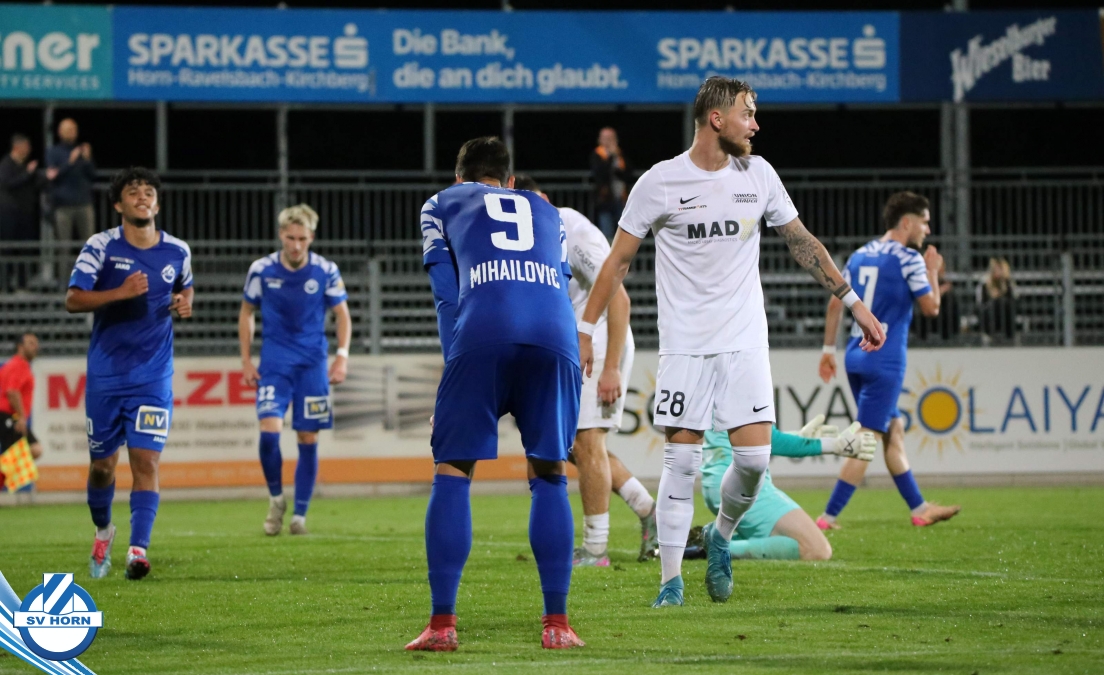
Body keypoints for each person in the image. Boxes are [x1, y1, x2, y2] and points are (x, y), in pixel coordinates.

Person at [577, 76, 886, 608]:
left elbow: (802, 242)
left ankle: (721, 535)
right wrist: (586, 329)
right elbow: (617, 262)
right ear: (717, 119)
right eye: (748, 113)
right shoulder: (659, 182)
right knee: (682, 463)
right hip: (685, 347)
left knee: (754, 461)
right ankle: (670, 583)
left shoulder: (758, 174)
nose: (756, 124)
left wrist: (853, 302)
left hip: (745, 343)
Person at [407, 138, 583, 652]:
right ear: (509, 181)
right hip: (555, 337)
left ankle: (442, 625)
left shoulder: (441, 203)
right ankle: (557, 625)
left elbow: (447, 296)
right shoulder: (549, 212)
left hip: (482, 332)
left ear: (459, 178)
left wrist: (453, 374)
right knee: (549, 474)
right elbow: (559, 283)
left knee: (452, 472)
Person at [513, 175, 655, 568]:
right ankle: (649, 510)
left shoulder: (571, 227)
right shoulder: (527, 240)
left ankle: (595, 550)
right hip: (571, 346)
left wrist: (611, 368)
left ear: (543, 198)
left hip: (600, 340)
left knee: (586, 440)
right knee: (572, 445)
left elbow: (618, 297)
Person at [66, 167, 193, 581]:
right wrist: (120, 292)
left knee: (146, 460)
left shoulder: (177, 250)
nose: (142, 196)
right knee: (103, 467)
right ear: (118, 204)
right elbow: (73, 299)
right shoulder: (100, 246)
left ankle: (138, 550)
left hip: (153, 377)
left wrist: (184, 301)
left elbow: (184, 286)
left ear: (157, 203)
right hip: (107, 375)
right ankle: (104, 530)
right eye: (133, 191)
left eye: (149, 191)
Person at [816, 191, 961, 530]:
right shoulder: (910, 259)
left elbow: (836, 303)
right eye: (924, 222)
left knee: (893, 430)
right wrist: (932, 272)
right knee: (867, 439)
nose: (927, 229)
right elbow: (932, 308)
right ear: (907, 222)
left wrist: (828, 352)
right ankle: (826, 518)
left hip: (855, 355)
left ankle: (920, 508)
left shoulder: (860, 254)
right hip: (885, 360)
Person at [239, 204, 351, 536]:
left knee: (308, 437)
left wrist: (342, 356)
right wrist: (245, 359)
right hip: (274, 365)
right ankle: (276, 499)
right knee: (269, 433)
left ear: (311, 237)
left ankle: (299, 514)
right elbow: (246, 312)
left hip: (312, 366)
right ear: (281, 236)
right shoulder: (261, 269)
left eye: (302, 238)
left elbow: (343, 315)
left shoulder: (326, 270)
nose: (296, 245)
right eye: (290, 238)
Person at [694, 416, 875, 561]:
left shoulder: (726, 382)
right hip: (740, 482)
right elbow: (770, 440)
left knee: (784, 540)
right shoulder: (746, 380)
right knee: (816, 549)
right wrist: (833, 445)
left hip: (721, 479)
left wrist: (799, 436)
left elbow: (751, 436)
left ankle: (709, 539)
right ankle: (710, 545)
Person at [0, 134, 46, 291]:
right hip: (9, 216)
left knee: (25, 250)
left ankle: (23, 284)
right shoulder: (6, 164)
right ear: (17, 147)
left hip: (25, 215)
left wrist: (45, 176)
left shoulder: (25, 165)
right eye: (26, 147)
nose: (29, 150)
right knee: (8, 250)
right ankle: (5, 285)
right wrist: (27, 173)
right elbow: (8, 183)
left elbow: (36, 183)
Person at [47, 119, 98, 259]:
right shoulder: (54, 152)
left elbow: (92, 175)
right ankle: (64, 273)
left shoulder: (82, 150)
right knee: (64, 248)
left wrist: (87, 159)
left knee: (89, 245)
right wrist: (70, 162)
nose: (72, 132)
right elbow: (53, 176)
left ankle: (89, 273)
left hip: (84, 203)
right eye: (69, 129)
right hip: (63, 205)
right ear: (60, 132)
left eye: (74, 129)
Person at [0, 334, 43, 462]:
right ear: (20, 346)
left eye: (36, 343)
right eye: (31, 343)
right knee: (34, 449)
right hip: (9, 415)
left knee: (12, 457)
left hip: (7, 416)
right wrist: (22, 417)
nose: (36, 347)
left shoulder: (12, 364)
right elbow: (12, 392)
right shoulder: (19, 365)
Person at [589, 127, 631, 240]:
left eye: (611, 138)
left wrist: (615, 157)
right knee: (606, 234)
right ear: (600, 140)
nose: (608, 141)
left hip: (621, 199)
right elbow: (601, 173)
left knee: (624, 234)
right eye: (605, 138)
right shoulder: (597, 154)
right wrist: (611, 157)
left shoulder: (620, 154)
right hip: (605, 201)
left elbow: (628, 173)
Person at [976, 257, 1016, 345]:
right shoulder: (985, 283)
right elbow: (981, 302)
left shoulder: (1008, 283)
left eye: (1000, 269)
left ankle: (1009, 336)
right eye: (996, 269)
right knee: (993, 304)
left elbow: (1013, 300)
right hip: (989, 312)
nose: (997, 271)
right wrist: (993, 298)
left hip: (1004, 312)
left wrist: (1000, 295)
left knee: (1003, 303)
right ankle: (990, 334)